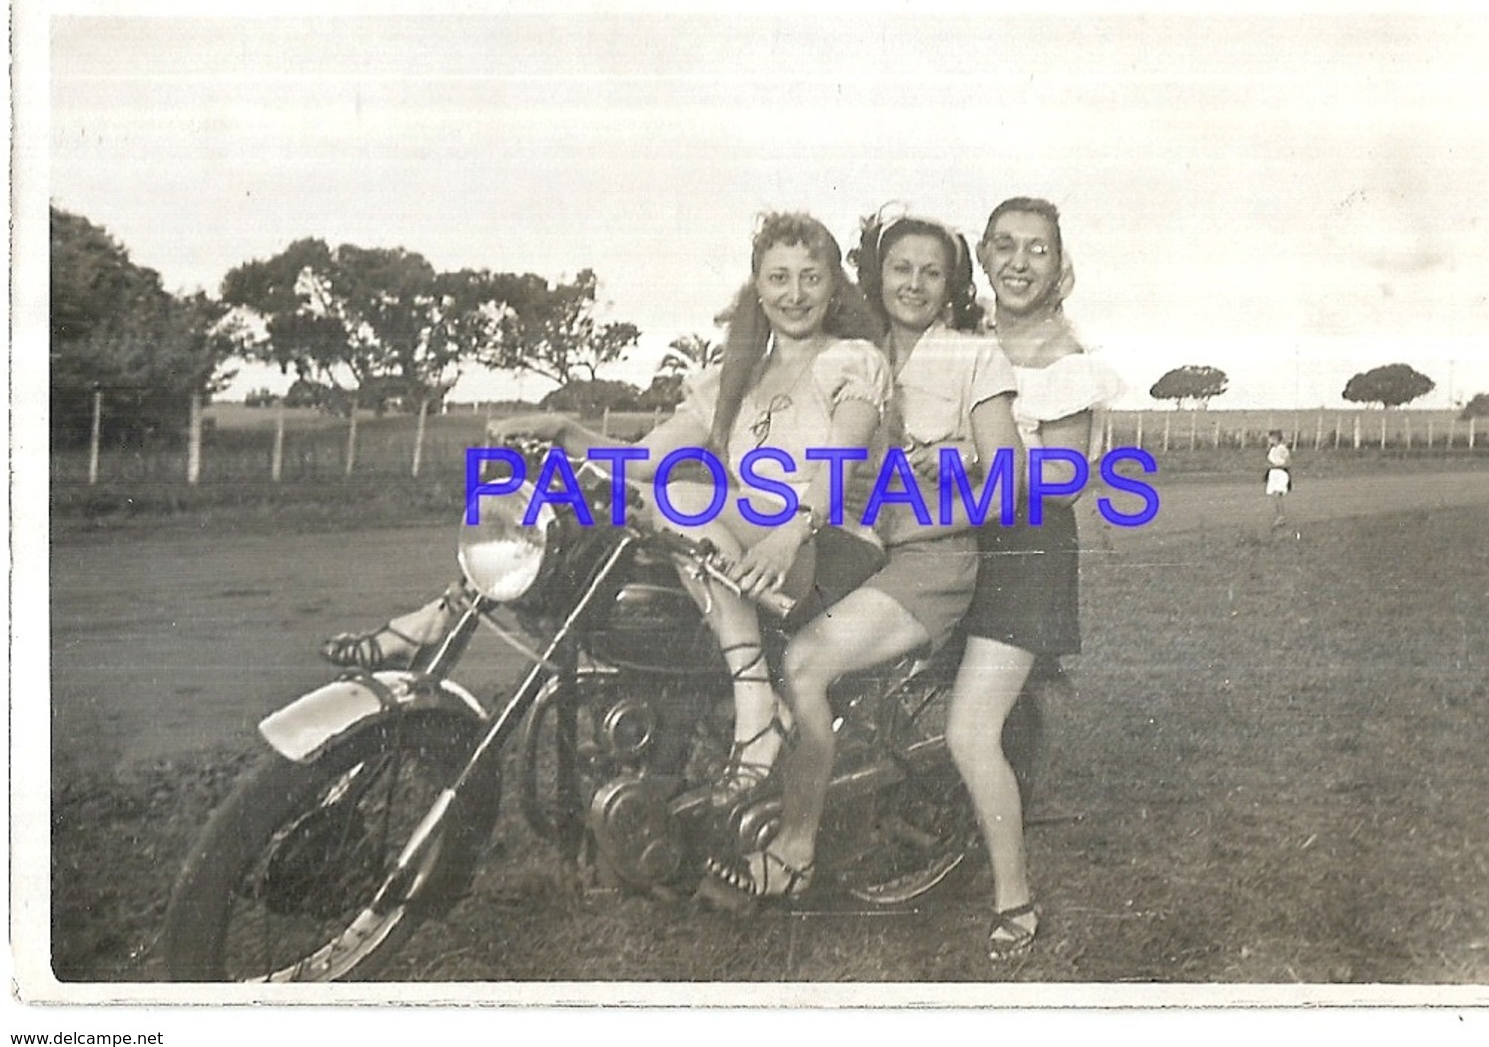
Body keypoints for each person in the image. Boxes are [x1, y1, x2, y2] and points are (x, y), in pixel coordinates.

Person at [321, 212, 892, 803]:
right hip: (745, 542)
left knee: (670, 499)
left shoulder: (851, 361)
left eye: (810, 278)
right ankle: (440, 614)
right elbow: (641, 461)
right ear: (757, 286)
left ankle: (755, 703)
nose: (794, 295)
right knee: (569, 499)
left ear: (834, 286)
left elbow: (836, 468)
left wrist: (787, 535)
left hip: (820, 546)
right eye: (779, 278)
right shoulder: (736, 374)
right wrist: (566, 431)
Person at [702, 208, 1025, 915]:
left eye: (932, 271)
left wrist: (916, 520)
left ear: (952, 284)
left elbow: (1009, 483)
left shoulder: (973, 355)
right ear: (874, 276)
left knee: (806, 663)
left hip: (926, 563)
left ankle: (793, 852)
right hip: (851, 547)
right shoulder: (851, 347)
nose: (914, 282)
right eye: (900, 267)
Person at [947, 196, 1124, 960]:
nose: (1019, 262)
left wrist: (958, 471)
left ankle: (1012, 897)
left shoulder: (1066, 362)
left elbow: (1056, 480)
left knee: (968, 727)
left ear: (1061, 266)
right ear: (983, 258)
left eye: (1037, 249)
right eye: (1006, 246)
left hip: (1023, 551)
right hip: (946, 537)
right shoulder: (959, 342)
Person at [1265, 429, 1292, 529]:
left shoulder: (1282, 448)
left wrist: (1276, 466)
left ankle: (1281, 517)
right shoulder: (1272, 449)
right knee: (1275, 496)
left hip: (1280, 474)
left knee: (1277, 495)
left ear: (1275, 438)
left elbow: (1288, 463)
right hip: (1273, 474)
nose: (1269, 440)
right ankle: (1280, 516)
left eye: (1271, 438)